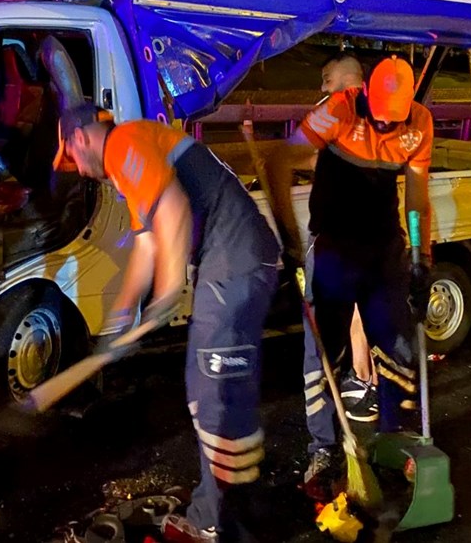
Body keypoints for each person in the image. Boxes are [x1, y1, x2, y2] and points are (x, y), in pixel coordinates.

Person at [54, 104, 280, 542]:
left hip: (234, 263)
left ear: (80, 137)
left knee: (215, 394)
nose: (79, 172)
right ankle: (236, 505)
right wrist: (122, 318)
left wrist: (167, 294)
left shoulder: (123, 143)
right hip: (232, 263)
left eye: (72, 159)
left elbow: (174, 208)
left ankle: (223, 521)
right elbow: (146, 246)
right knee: (208, 391)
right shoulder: (132, 162)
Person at [265, 56, 434, 501]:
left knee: (398, 348)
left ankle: (396, 442)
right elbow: (279, 160)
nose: (383, 123)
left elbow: (416, 196)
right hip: (335, 247)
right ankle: (323, 448)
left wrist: (422, 256)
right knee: (324, 353)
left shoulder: (419, 124)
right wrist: (290, 236)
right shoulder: (339, 109)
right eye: (377, 114)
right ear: (365, 94)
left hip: (384, 247)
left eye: (391, 119)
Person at [318, 54, 380, 423]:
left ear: (345, 79)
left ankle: (362, 379)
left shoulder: (342, 110)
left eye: (327, 79)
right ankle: (368, 379)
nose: (322, 87)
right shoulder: (375, 109)